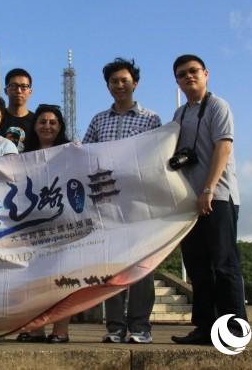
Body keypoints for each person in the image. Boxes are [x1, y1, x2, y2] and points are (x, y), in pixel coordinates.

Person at [82, 58, 161, 345]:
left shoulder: (151, 119)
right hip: (107, 205)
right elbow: (84, 156)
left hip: (139, 203)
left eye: (124, 80)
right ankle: (115, 326)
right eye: (113, 81)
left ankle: (140, 326)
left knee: (142, 266)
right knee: (111, 266)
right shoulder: (98, 120)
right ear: (108, 86)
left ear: (134, 83)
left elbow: (156, 158)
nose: (119, 85)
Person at [169, 54, 247, 345]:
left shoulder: (217, 105)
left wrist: (209, 189)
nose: (188, 77)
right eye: (182, 74)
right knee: (198, 266)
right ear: (177, 80)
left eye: (193, 71)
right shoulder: (180, 115)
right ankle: (205, 327)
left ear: (206, 74)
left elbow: (223, 147)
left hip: (218, 196)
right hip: (191, 200)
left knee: (224, 264)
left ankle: (234, 328)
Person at [16, 104, 72, 344]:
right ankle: (36, 328)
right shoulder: (24, 156)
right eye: (42, 122)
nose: (47, 126)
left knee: (62, 278)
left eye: (53, 122)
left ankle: (61, 330)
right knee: (35, 278)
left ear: (60, 127)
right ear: (34, 126)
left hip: (63, 222)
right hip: (33, 224)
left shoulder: (71, 153)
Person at [0, 68, 35, 152]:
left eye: (24, 87)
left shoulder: (37, 121)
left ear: (30, 91)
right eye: (13, 86)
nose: (18, 91)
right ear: (5, 90)